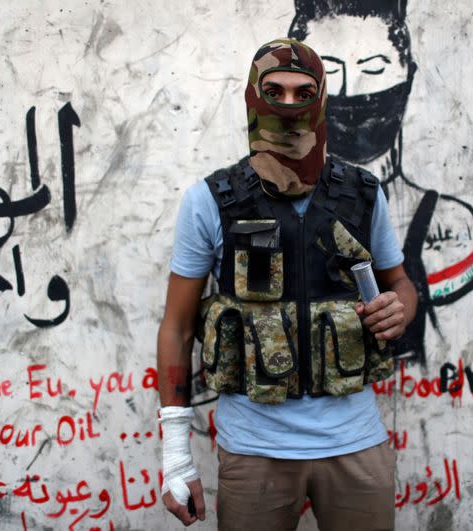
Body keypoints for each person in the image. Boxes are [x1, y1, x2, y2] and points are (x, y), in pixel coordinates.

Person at [156, 38, 417, 530]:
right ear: (253, 97)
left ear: (321, 101)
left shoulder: (362, 194)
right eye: (274, 91)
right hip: (255, 453)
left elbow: (401, 283)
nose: (289, 107)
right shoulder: (209, 201)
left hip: (355, 445)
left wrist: (399, 308)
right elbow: (176, 328)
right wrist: (176, 455)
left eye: (304, 93)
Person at [289, 0, 473, 364]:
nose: (351, 92)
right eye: (331, 73)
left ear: (407, 75)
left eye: (375, 68)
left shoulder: (446, 226)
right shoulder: (252, 213)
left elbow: (462, 377)